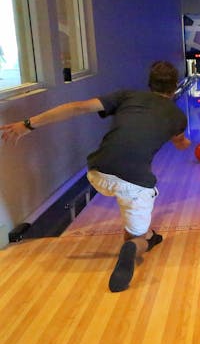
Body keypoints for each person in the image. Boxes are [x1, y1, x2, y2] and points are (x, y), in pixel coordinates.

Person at [0, 61, 190, 293]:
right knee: (135, 239)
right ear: (174, 87)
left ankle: (149, 235)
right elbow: (180, 144)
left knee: (133, 209)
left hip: (97, 171)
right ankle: (137, 244)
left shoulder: (126, 96)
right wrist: (185, 141)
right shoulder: (178, 116)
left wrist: (27, 125)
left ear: (149, 84)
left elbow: (77, 107)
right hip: (133, 183)